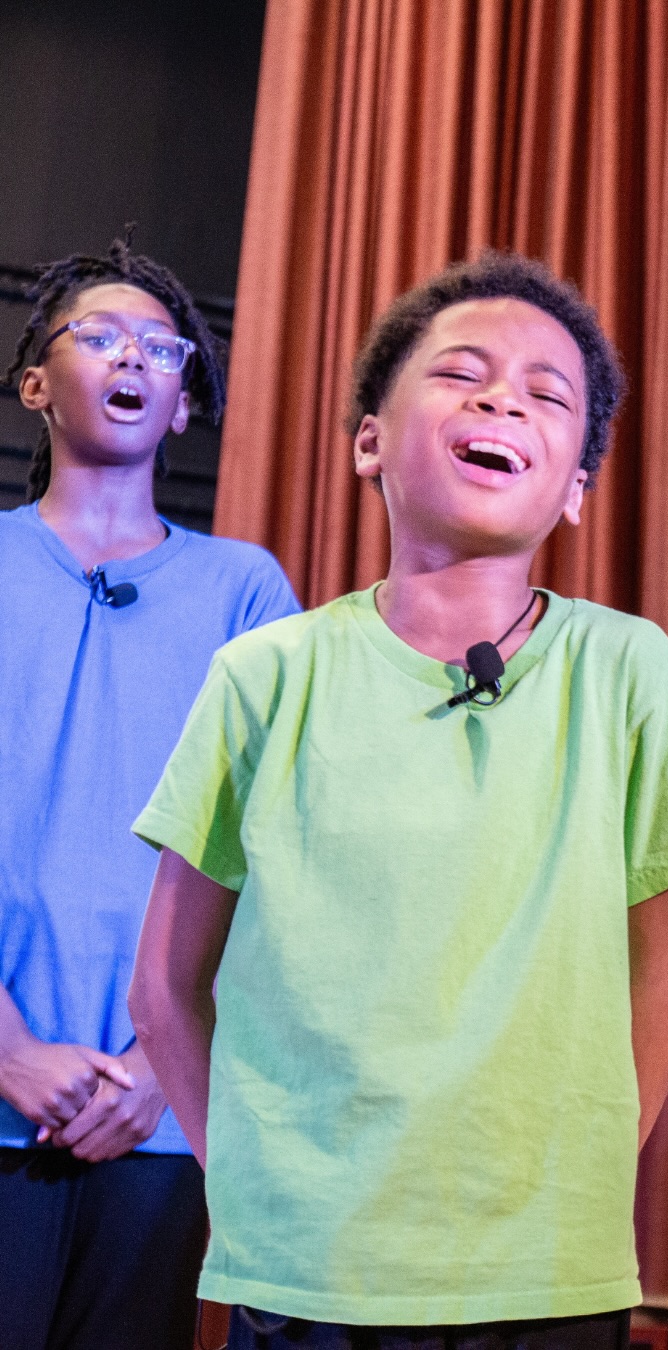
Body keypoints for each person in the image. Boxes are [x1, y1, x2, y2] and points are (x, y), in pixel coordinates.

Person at [127, 251, 668, 1349]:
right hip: (309, 1271)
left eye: (546, 393)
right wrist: (261, 1179)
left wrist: (579, 1166)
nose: (501, 398)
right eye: (461, 373)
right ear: (370, 438)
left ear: (574, 487)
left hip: (546, 1272)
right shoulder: (266, 674)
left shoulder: (635, 673)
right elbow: (166, 988)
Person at [0, 233, 300, 1350]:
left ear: (181, 404)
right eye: (101, 335)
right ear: (37, 384)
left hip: (156, 1119)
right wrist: (9, 1051)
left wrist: (158, 1067)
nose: (135, 357)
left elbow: (273, 855)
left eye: (163, 346)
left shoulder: (246, 591)